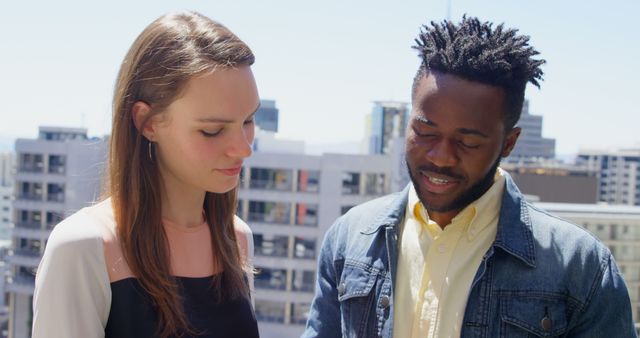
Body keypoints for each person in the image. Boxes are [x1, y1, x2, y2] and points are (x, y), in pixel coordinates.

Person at [303, 16, 636, 338]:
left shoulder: (581, 267)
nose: (441, 156)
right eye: (425, 132)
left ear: (509, 142)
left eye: (468, 142)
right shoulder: (351, 237)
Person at [32, 11, 260, 338]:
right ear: (147, 122)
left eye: (248, 121)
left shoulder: (236, 239)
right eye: (212, 130)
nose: (243, 148)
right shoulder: (83, 247)